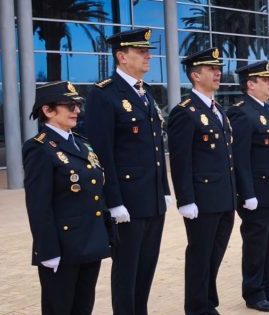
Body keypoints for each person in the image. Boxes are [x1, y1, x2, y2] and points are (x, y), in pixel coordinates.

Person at [83, 28, 172, 315]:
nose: (148, 55)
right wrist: (114, 201)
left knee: (147, 266)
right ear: (121, 57)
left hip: (152, 199)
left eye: (148, 50)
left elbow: (156, 149)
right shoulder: (104, 94)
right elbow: (102, 153)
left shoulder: (146, 93)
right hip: (128, 201)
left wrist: (165, 189)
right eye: (140, 51)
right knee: (127, 269)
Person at [23, 81, 111, 315]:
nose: (76, 110)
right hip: (63, 248)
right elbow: (38, 206)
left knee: (83, 308)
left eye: (78, 105)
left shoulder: (82, 144)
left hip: (90, 243)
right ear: (48, 110)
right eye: (69, 105)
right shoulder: (39, 148)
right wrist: (47, 250)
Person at [167, 48, 235, 315]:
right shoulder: (185, 112)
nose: (217, 72)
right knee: (200, 255)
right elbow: (181, 160)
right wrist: (186, 200)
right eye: (210, 69)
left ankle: (208, 302)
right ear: (195, 75)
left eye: (218, 68)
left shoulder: (218, 110)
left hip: (224, 197)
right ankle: (197, 307)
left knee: (214, 254)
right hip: (203, 200)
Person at [228, 61, 269, 312]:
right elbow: (240, 158)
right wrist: (247, 194)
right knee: (256, 246)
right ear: (249, 85)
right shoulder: (242, 113)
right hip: (258, 194)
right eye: (263, 80)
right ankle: (253, 293)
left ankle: (267, 287)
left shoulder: (268, 111)